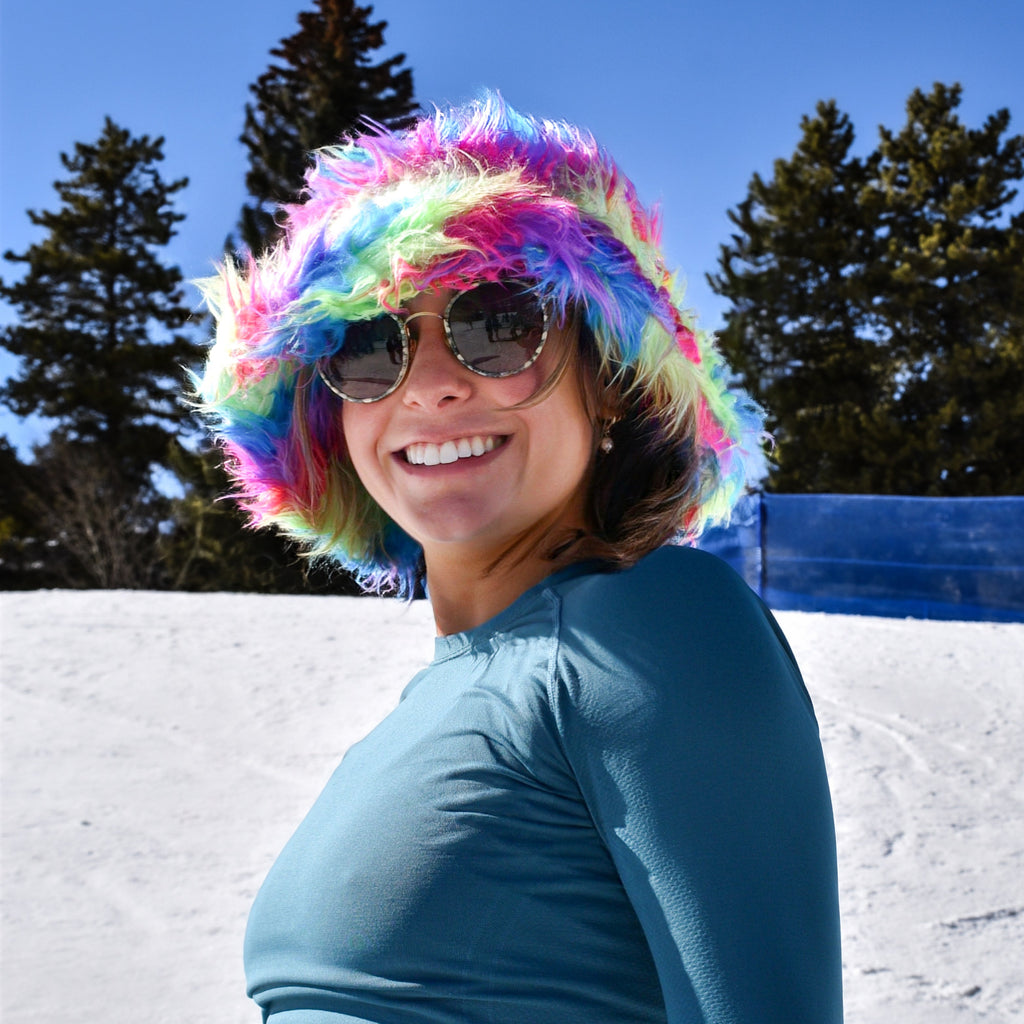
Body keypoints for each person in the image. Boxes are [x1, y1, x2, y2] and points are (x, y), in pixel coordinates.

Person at [195, 93, 843, 1024]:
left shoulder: (651, 625)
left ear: (612, 379)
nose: (430, 387)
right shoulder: (440, 701)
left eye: (498, 322)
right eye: (368, 346)